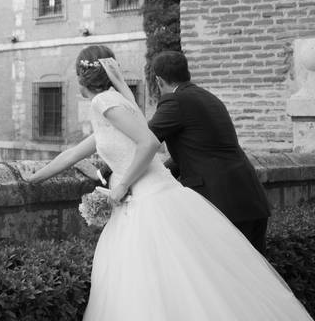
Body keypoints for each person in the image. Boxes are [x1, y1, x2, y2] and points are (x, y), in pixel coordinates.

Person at [25, 45, 311, 320]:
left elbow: (148, 142)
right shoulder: (122, 103)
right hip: (185, 195)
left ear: (80, 79)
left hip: (149, 203)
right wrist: (35, 177)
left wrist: (121, 185)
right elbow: (77, 152)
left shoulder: (104, 102)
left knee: (156, 286)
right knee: (208, 283)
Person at [148, 50, 271, 254]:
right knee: (255, 280)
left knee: (225, 278)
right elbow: (196, 151)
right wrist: (160, 171)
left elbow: (145, 140)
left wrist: (110, 171)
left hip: (220, 204)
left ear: (159, 81)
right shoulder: (208, 97)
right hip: (250, 199)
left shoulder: (175, 101)